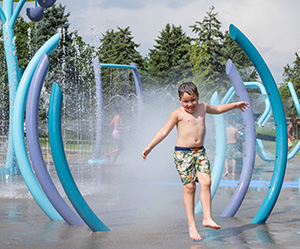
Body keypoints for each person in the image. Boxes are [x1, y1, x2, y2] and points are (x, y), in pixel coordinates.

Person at [141, 82, 249, 241]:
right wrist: (150, 146)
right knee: (190, 188)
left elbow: (218, 109)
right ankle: (191, 225)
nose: (190, 104)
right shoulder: (177, 114)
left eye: (193, 100)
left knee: (206, 181)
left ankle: (207, 217)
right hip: (183, 154)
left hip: (199, 152)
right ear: (179, 100)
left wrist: (235, 105)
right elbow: (164, 130)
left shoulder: (203, 107)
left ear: (198, 97)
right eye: (186, 101)